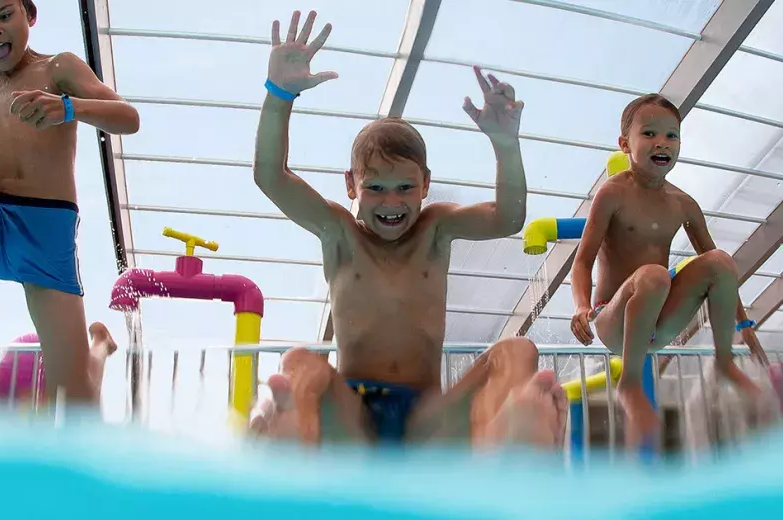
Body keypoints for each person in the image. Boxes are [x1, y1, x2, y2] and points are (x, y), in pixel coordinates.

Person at [248, 10, 567, 447]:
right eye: (375, 187)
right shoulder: (339, 233)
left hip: (426, 420)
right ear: (351, 186)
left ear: (425, 186)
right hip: (355, 416)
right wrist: (278, 95)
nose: (392, 202)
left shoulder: (435, 228)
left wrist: (506, 146)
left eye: (405, 188)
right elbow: (271, 176)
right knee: (301, 362)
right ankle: (294, 435)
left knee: (518, 351)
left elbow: (508, 218)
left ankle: (505, 436)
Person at [0, 0, 139, 407]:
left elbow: (128, 118)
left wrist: (68, 108)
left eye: (3, 15)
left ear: (29, 15)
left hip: (47, 238)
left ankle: (99, 345)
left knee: (75, 405)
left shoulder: (58, 69)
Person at [569, 93, 768, 446]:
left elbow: (722, 275)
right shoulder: (612, 193)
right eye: (649, 134)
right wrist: (581, 307)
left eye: (671, 135)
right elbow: (582, 260)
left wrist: (744, 324)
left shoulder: (683, 204)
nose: (662, 143)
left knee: (720, 260)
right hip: (613, 321)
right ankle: (630, 383)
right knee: (654, 273)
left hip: (658, 324)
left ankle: (724, 362)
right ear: (624, 144)